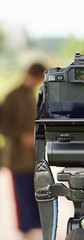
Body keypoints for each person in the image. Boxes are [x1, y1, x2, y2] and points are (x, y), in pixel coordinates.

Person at [1, 63, 46, 239]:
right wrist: (22, 136)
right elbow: (4, 125)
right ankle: (26, 228)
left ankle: (35, 224)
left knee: (34, 190)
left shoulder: (31, 94)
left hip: (31, 155)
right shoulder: (13, 96)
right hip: (18, 156)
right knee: (22, 194)